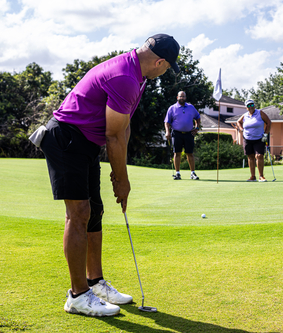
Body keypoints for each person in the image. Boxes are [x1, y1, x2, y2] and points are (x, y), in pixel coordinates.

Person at [37, 34, 180, 317]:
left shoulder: (137, 76)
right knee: (78, 213)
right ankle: (77, 296)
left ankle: (95, 282)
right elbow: (113, 136)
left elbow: (122, 128)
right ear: (159, 61)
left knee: (94, 212)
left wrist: (119, 175)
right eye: (167, 68)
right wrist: (122, 181)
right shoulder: (125, 77)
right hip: (66, 138)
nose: (165, 72)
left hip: (85, 142)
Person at [164, 91, 201, 180]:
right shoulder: (172, 108)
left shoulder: (191, 107)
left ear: (186, 98)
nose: (182, 98)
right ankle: (177, 173)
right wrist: (167, 132)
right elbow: (167, 122)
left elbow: (198, 117)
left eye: (183, 97)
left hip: (189, 133)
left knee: (190, 153)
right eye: (180, 96)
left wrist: (197, 128)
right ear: (177, 97)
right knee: (177, 153)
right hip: (176, 133)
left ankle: (192, 173)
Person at [237, 99, 271, 182]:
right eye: (249, 105)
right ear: (246, 107)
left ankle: (261, 176)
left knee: (259, 156)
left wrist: (266, 134)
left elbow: (269, 122)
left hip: (259, 138)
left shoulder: (260, 113)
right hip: (247, 139)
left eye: (252, 105)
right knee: (250, 156)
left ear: (254, 105)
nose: (251, 107)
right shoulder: (245, 115)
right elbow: (238, 122)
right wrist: (241, 129)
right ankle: (253, 176)